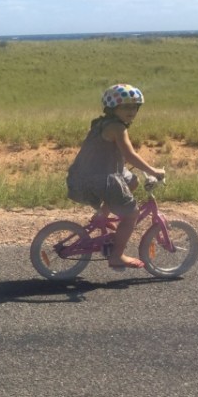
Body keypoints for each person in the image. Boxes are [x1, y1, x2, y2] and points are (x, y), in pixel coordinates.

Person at [67, 83, 166, 270]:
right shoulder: (117, 128)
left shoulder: (101, 123)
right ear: (113, 108)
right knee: (131, 215)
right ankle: (117, 256)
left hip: (85, 175)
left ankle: (102, 214)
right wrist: (154, 171)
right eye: (125, 106)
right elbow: (130, 155)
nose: (131, 111)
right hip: (101, 178)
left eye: (135, 106)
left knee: (132, 180)